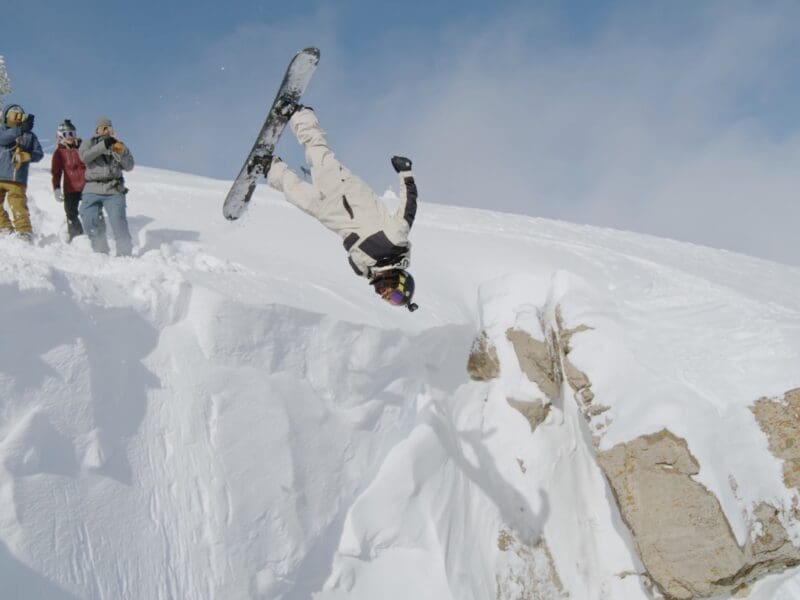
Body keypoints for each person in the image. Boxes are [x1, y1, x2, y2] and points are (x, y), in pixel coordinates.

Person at [265, 101, 419, 311]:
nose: (385, 295)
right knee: (316, 153)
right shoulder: (395, 241)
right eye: (392, 295)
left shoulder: (364, 270)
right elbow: (409, 207)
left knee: (293, 192)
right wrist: (406, 173)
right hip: (343, 192)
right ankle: (300, 114)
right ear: (399, 281)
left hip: (328, 214)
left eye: (388, 300)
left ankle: (268, 167)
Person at [78, 117, 134, 256]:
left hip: (114, 189)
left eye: (108, 127)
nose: (105, 130)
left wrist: (118, 149)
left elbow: (129, 166)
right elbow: (85, 157)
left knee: (118, 220)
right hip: (92, 188)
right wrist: (103, 145)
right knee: (89, 218)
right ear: (96, 129)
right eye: (102, 127)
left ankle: (125, 253)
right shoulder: (88, 143)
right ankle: (100, 249)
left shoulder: (118, 144)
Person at [0, 104, 43, 241]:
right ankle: (4, 226)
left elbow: (39, 153)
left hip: (16, 176)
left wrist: (28, 155)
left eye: (20, 116)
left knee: (18, 203)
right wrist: (19, 130)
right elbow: (2, 139)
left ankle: (24, 230)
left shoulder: (29, 136)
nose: (18, 118)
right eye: (14, 115)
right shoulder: (2, 130)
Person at [51, 119, 85, 241]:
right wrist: (56, 188)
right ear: (61, 136)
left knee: (90, 210)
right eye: (67, 134)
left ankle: (96, 234)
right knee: (71, 213)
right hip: (70, 188)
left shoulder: (82, 149)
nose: (71, 137)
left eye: (73, 134)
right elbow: (56, 172)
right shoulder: (59, 153)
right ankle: (78, 238)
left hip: (86, 186)